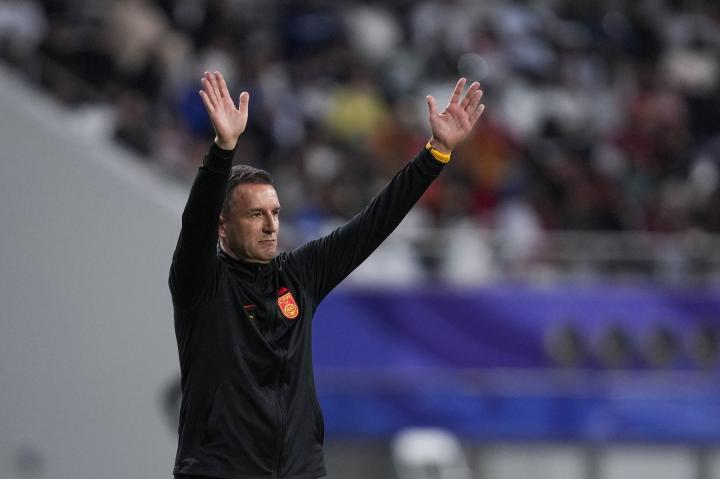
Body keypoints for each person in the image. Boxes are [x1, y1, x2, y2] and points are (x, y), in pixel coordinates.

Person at [169, 70, 485, 479]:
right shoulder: (201, 283)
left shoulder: (299, 274)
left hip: (301, 470)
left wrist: (436, 153)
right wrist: (223, 150)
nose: (271, 225)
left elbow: (372, 224)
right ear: (223, 226)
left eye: (275, 213)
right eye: (255, 214)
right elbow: (195, 225)